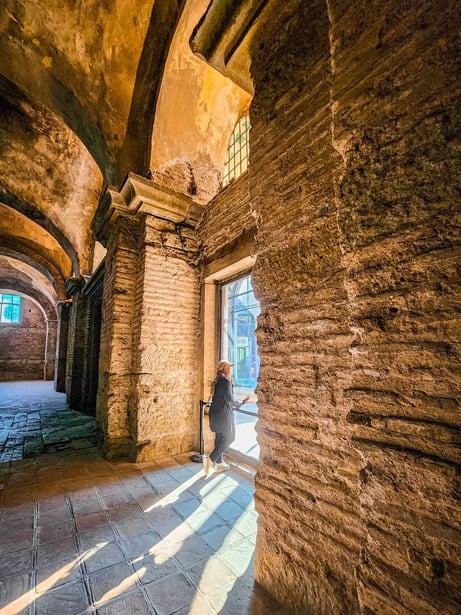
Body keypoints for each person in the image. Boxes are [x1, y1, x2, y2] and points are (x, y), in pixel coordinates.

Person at [203, 360, 250, 476]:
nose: (231, 370)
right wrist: (242, 402)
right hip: (224, 415)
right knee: (230, 438)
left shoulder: (217, 381)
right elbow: (229, 400)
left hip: (215, 413)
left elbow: (220, 397)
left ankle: (219, 464)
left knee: (219, 438)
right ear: (225, 369)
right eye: (230, 368)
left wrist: (231, 385)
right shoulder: (225, 382)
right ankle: (210, 460)